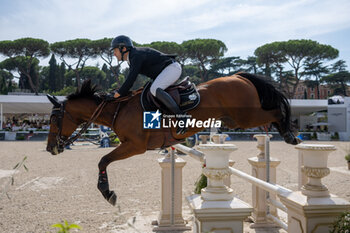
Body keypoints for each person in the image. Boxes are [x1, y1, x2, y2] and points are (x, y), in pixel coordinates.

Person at [110, 35, 187, 134]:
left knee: (155, 89)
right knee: (146, 93)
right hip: (166, 70)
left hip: (172, 69)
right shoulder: (133, 57)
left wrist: (120, 93)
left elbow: (131, 78)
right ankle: (155, 127)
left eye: (115, 50)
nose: (114, 54)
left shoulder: (135, 55)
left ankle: (182, 117)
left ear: (123, 48)